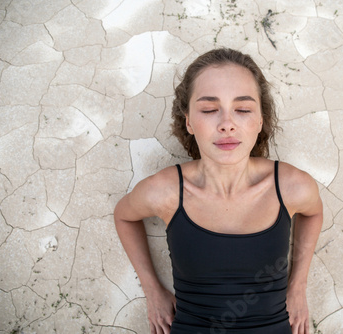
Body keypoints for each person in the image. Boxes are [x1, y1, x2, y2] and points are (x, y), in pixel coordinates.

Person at [114, 48, 323, 334]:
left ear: (260, 120)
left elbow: (313, 213)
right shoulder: (165, 192)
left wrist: (298, 286)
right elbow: (124, 216)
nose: (227, 124)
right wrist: (153, 290)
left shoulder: (291, 187)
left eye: (244, 109)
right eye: (210, 110)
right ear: (188, 121)